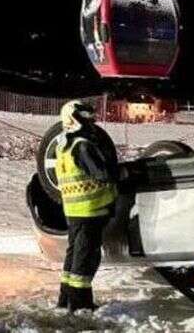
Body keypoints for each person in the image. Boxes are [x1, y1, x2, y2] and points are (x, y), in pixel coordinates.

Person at [55, 100, 118, 311]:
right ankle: (81, 305)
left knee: (74, 255)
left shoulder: (63, 147)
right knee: (86, 258)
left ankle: (65, 300)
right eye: (86, 117)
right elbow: (102, 174)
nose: (91, 121)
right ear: (75, 118)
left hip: (73, 211)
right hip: (90, 211)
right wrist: (119, 173)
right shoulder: (82, 146)